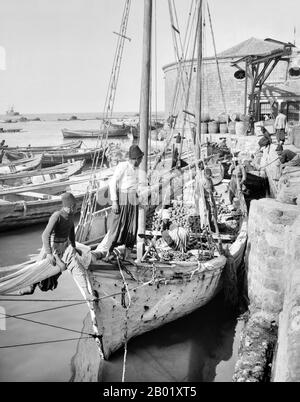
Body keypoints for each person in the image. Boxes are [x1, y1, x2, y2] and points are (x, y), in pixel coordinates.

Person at [18, 192, 80, 295]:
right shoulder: (57, 216)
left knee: (57, 270)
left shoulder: (70, 216)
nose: (76, 207)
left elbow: (71, 233)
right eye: (75, 205)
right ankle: (31, 287)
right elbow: (45, 235)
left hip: (63, 246)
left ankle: (48, 283)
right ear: (71, 206)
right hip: (52, 247)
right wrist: (49, 253)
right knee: (40, 267)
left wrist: (73, 247)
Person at [94, 145, 145, 259]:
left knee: (132, 227)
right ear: (135, 158)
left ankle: (126, 256)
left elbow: (137, 186)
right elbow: (112, 183)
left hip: (133, 198)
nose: (141, 161)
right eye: (140, 159)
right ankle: (108, 252)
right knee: (117, 226)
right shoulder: (123, 166)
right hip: (122, 197)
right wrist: (114, 201)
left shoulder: (137, 170)